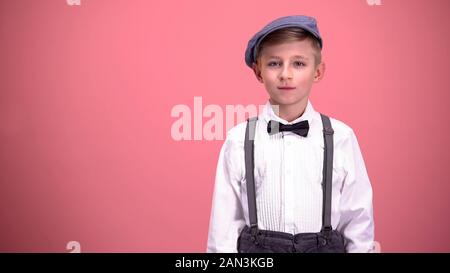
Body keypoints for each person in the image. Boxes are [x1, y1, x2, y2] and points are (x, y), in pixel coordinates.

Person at [207, 15, 374, 253]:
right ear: (258, 72)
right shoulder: (238, 139)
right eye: (274, 63)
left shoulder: (341, 137)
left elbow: (358, 221)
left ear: (317, 72)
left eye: (299, 64)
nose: (286, 74)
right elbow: (222, 232)